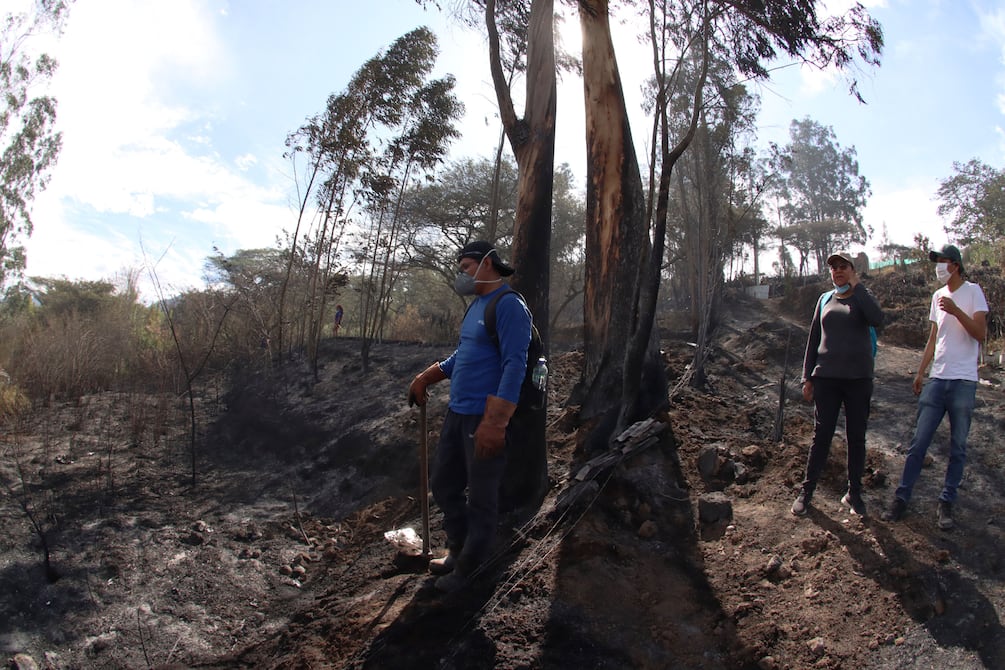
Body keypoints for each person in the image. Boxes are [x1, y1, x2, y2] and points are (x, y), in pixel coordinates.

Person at [406, 241, 532, 592]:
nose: (461, 275)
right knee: (444, 485)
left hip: (484, 418)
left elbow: (514, 363)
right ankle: (457, 549)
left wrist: (497, 422)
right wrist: (426, 377)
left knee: (481, 496)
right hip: (457, 414)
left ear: (487, 263)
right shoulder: (477, 306)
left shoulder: (509, 306)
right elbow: (464, 354)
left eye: (465, 267)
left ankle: (471, 569)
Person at [882, 244, 988, 529]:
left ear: (954, 264)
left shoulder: (973, 292)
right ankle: (902, 498)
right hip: (937, 378)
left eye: (941, 262)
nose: (938, 268)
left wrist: (955, 311)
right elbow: (933, 338)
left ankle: (946, 502)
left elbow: (980, 333)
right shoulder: (937, 296)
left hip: (964, 380)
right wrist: (920, 372)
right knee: (918, 442)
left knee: (958, 446)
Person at [792, 252, 884, 517]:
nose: (837, 271)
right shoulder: (824, 300)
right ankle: (806, 493)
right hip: (827, 379)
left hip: (858, 380)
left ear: (852, 270)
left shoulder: (861, 297)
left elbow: (877, 319)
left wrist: (859, 287)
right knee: (821, 436)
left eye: (843, 267)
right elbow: (813, 340)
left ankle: (854, 494)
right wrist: (807, 377)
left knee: (856, 438)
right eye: (833, 267)